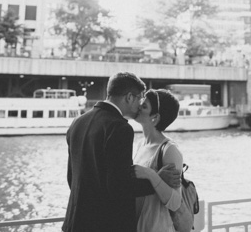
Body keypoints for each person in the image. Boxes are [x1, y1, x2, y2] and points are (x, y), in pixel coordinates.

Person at [63, 72, 180, 232]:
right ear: (129, 97)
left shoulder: (77, 122)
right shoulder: (119, 128)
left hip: (75, 222)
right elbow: (119, 186)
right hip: (107, 225)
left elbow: (71, 178)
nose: (140, 105)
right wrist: (157, 179)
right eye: (140, 98)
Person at [133, 89, 183, 232]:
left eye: (144, 106)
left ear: (154, 117)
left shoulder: (169, 150)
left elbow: (175, 203)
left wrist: (150, 175)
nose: (138, 107)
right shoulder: (140, 144)